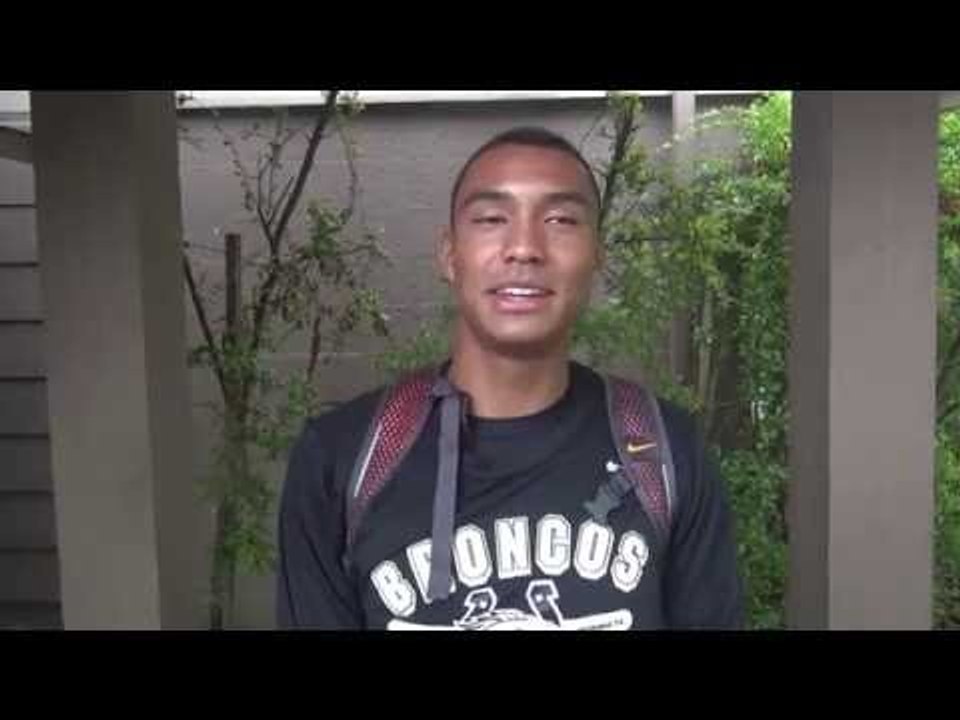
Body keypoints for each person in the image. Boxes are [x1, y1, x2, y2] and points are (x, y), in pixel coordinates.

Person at [276, 126, 743, 630]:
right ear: (449, 255)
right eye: (492, 218)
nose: (524, 247)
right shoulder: (344, 459)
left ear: (596, 256)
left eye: (561, 219)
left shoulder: (663, 452)